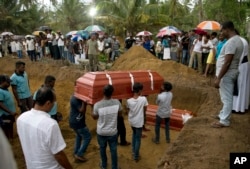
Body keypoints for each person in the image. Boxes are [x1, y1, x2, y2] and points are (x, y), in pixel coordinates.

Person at [17, 87, 73, 169]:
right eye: (53, 102)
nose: (54, 104)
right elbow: (58, 155)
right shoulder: (50, 124)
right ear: (48, 103)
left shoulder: (21, 118)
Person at [211, 21, 243, 128]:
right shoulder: (236, 40)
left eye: (222, 30)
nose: (221, 33)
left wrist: (218, 78)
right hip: (230, 73)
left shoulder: (231, 42)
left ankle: (224, 121)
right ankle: (222, 115)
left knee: (227, 98)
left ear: (227, 29)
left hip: (227, 74)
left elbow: (227, 62)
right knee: (225, 97)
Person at [92, 85, 122, 169]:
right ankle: (114, 167)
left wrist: (92, 108)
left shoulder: (97, 105)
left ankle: (104, 165)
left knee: (102, 149)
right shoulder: (117, 102)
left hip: (101, 132)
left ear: (103, 92)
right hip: (112, 132)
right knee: (113, 150)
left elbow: (94, 117)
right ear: (112, 93)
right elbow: (120, 114)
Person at [127, 82, 148, 162]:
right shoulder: (143, 99)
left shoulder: (129, 101)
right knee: (138, 139)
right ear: (139, 91)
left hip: (132, 121)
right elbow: (145, 109)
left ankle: (133, 150)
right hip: (139, 122)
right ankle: (136, 156)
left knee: (134, 134)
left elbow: (129, 111)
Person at [69, 94, 91, 162]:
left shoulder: (77, 96)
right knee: (87, 137)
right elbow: (82, 110)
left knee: (79, 136)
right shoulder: (74, 98)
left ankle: (76, 152)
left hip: (74, 121)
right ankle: (79, 154)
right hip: (77, 122)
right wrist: (84, 102)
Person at [232, 34, 250, 114]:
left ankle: (237, 107)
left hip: (240, 65)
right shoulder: (243, 40)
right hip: (243, 65)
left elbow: (240, 56)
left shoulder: (240, 41)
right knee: (242, 86)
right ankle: (241, 106)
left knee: (240, 86)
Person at [0, 75, 17, 139]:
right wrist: (10, 112)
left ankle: (11, 138)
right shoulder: (0, 91)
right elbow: (0, 104)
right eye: (8, 82)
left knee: (10, 125)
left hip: (10, 114)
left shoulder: (6, 90)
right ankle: (7, 140)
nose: (9, 84)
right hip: (5, 115)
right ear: (2, 82)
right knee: (5, 127)